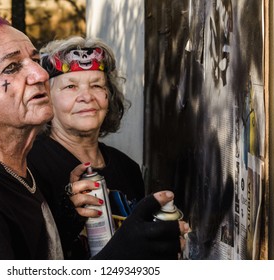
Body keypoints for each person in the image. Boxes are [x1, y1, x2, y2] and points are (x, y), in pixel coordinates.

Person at [0, 11, 188, 260]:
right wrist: (123, 258)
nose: (40, 74)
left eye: (34, 59)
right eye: (12, 67)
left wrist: (67, 218)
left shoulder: (11, 170)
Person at [27, 36, 181, 259]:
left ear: (109, 96)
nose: (87, 97)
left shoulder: (127, 168)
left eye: (96, 85)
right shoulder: (30, 166)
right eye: (70, 86)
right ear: (47, 99)